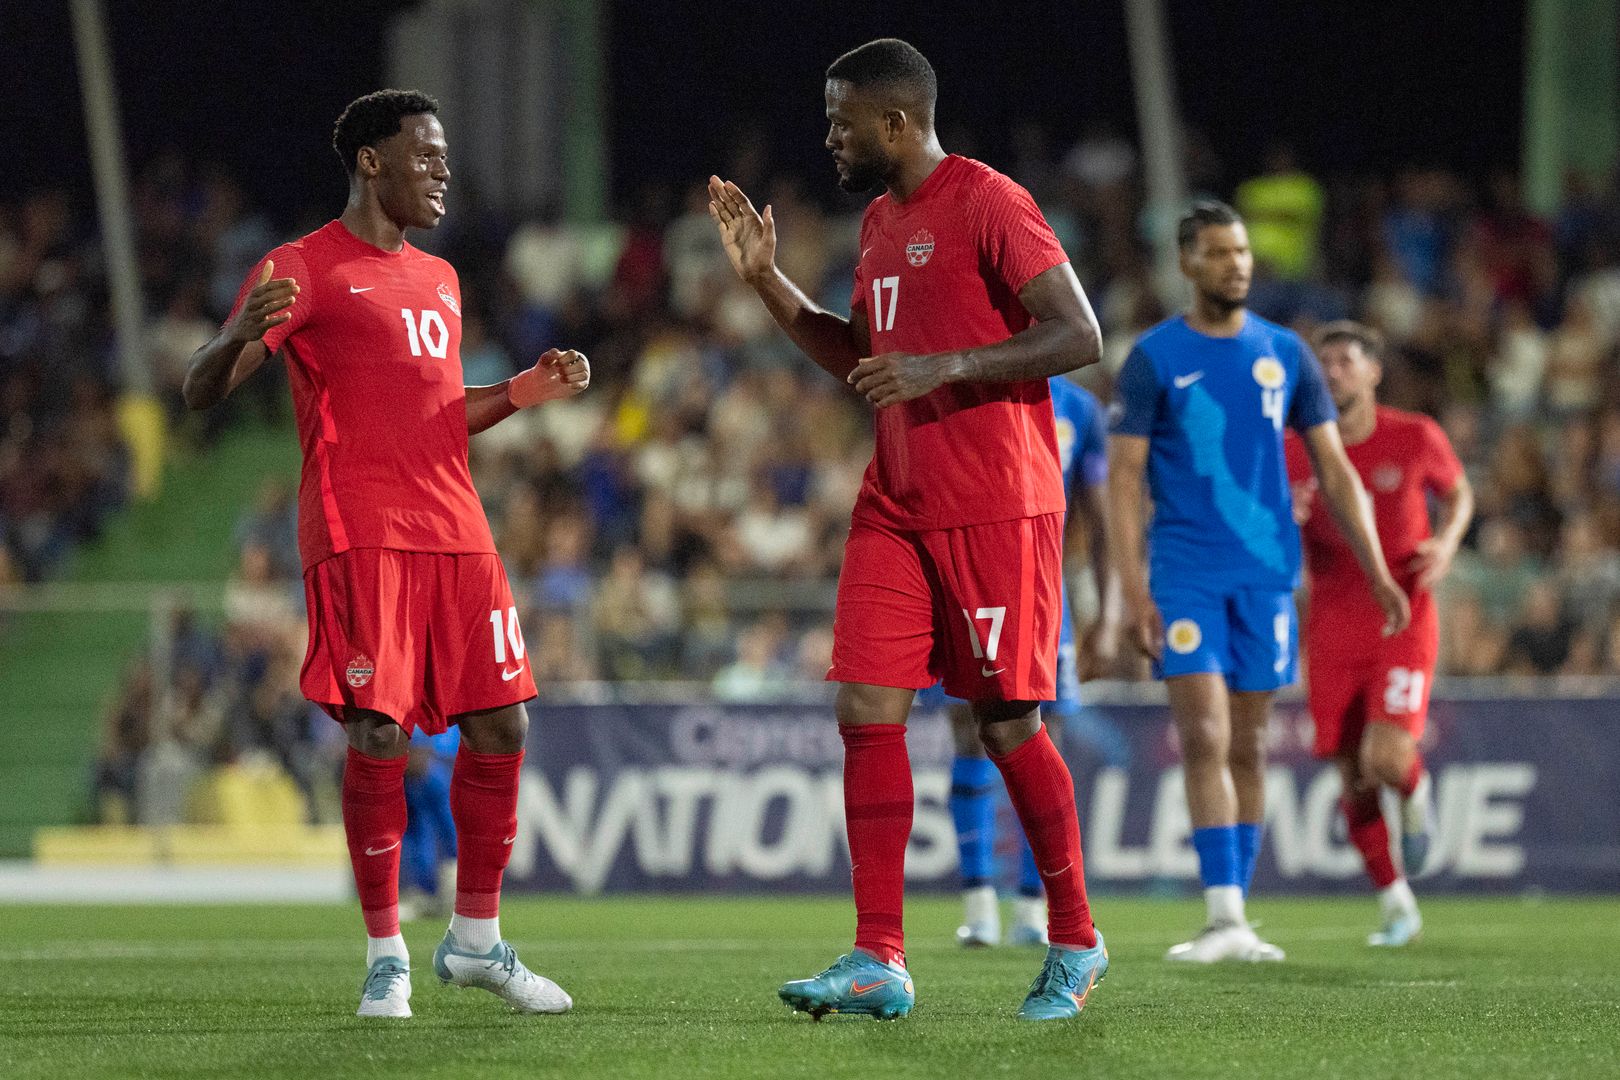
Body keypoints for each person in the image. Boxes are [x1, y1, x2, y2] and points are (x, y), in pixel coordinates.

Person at [710, 38, 1108, 1022]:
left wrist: (943, 368)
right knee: (865, 709)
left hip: (996, 501)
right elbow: (861, 357)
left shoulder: (988, 201)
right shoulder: (881, 224)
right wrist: (768, 282)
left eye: (841, 123)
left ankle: (1075, 940)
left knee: (1009, 723)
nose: (830, 141)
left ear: (895, 122)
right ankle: (879, 957)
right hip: (896, 497)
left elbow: (1079, 335)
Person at [182, 90, 591, 1018]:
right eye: (428, 156)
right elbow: (200, 390)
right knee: (382, 732)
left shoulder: (441, 280)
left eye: (445, 158)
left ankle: (477, 944)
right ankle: (385, 956)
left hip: (459, 532)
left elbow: (440, 413)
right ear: (372, 161)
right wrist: (240, 333)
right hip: (360, 529)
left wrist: (524, 390)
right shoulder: (303, 268)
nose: (444, 172)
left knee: (503, 725)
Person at [1108, 201, 1409, 964]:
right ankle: (1220, 917)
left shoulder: (1286, 355)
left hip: (1269, 578)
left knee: (1248, 745)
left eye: (1241, 251)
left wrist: (1377, 572)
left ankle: (1237, 917)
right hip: (1185, 574)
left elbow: (1336, 470)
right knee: (1203, 735)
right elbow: (1123, 480)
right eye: (1218, 252)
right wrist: (1132, 588)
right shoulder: (1154, 358)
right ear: (1187, 263)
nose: (1236, 264)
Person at [1285, 321, 1472, 946]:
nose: (1333, 371)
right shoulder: (1295, 447)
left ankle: (1417, 796)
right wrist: (1287, 520)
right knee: (1353, 776)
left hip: (1402, 615)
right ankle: (1396, 902)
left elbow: (1459, 491)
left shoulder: (1414, 435)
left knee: (1385, 758)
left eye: (1345, 361)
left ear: (1373, 372)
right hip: (1332, 624)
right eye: (1324, 362)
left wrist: (1445, 543)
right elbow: (1275, 531)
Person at [947, 375, 1120, 949]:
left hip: (1045, 590)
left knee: (1044, 742)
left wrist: (1108, 609)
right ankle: (978, 907)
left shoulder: (1080, 408)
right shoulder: (970, 383)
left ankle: (1030, 906)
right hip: (970, 579)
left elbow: (1100, 518)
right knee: (969, 734)